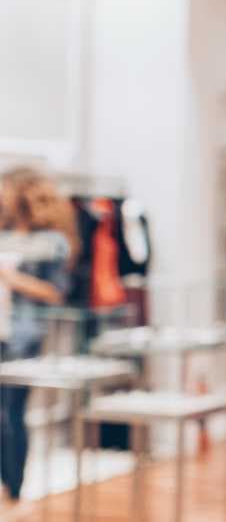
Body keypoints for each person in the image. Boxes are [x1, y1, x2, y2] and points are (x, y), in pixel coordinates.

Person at [0, 166, 72, 502]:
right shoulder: (4, 233)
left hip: (23, 333)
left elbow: (57, 292)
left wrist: (14, 280)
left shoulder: (51, 242)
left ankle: (14, 485)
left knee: (11, 410)